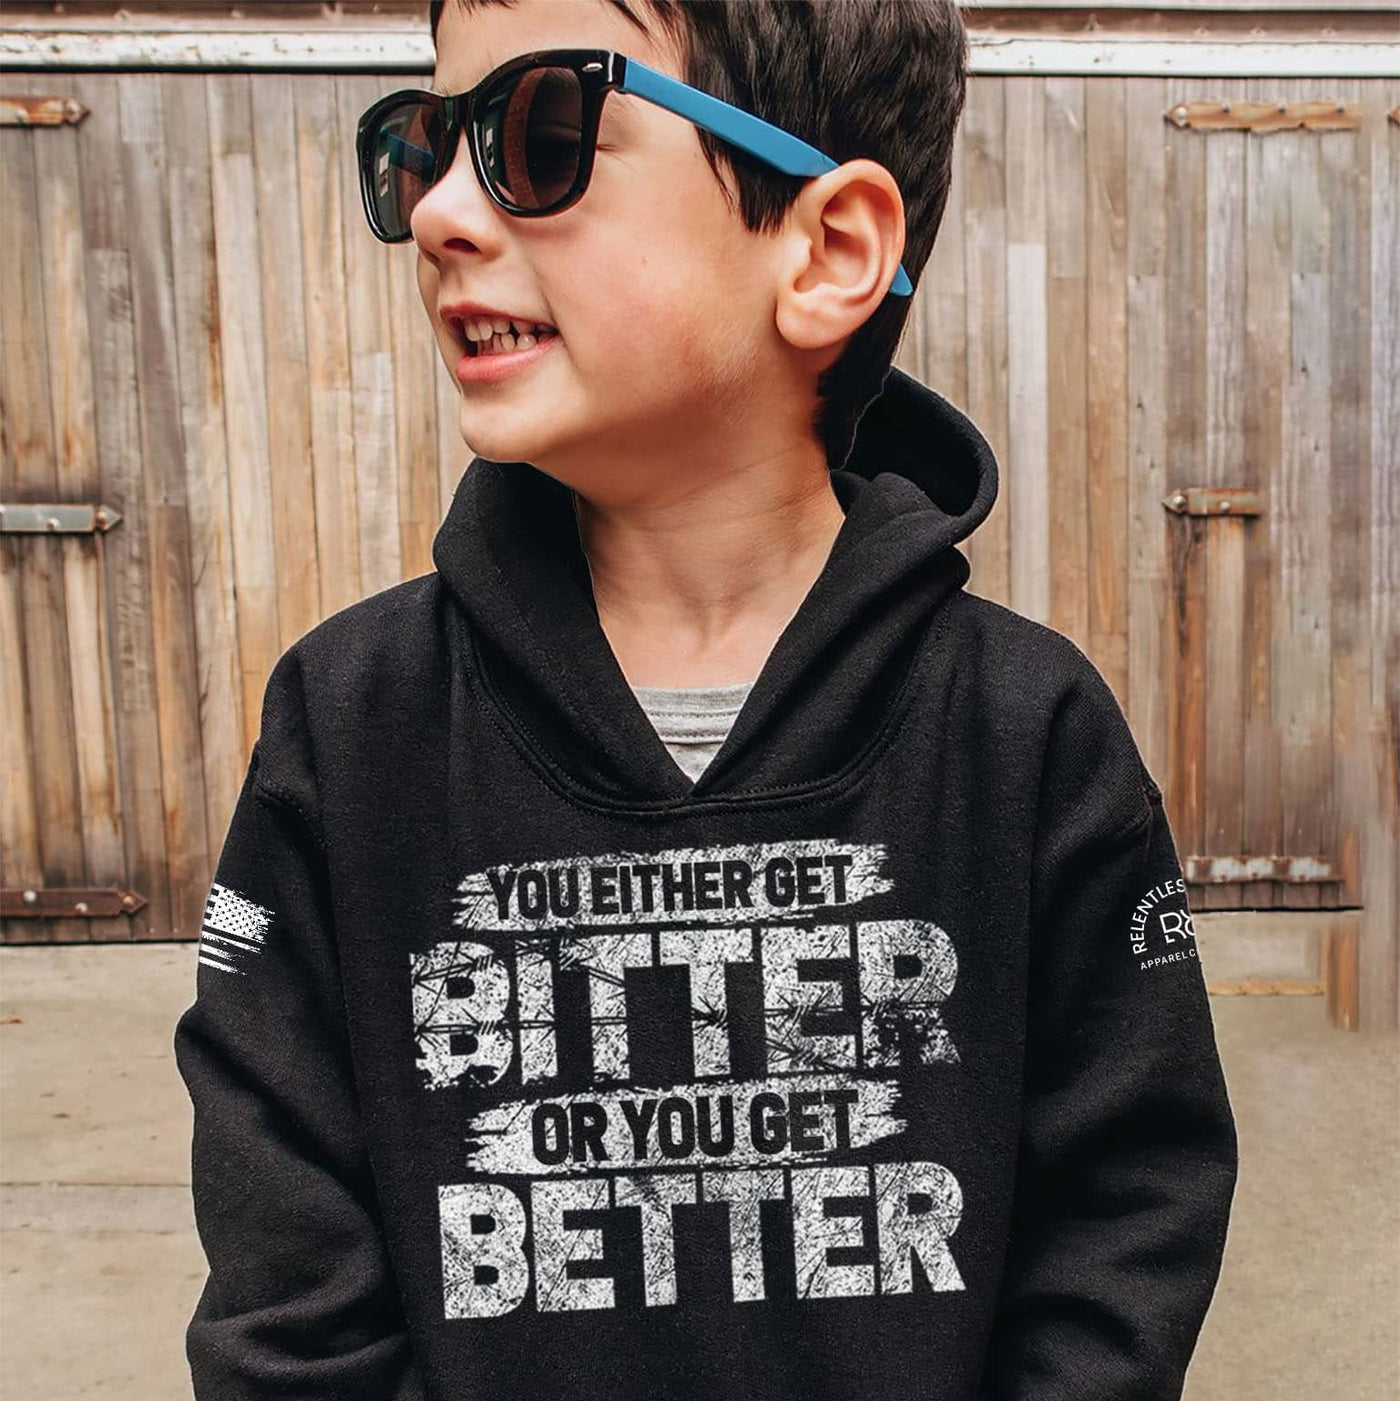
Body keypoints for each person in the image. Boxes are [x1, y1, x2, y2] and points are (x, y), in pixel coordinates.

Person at [173, 1, 1238, 1397]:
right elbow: (286, 1288)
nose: (437, 210)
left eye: (539, 135)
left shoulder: (1026, 731)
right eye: (422, 145)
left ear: (828, 250)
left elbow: (1128, 1211)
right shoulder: (349, 725)